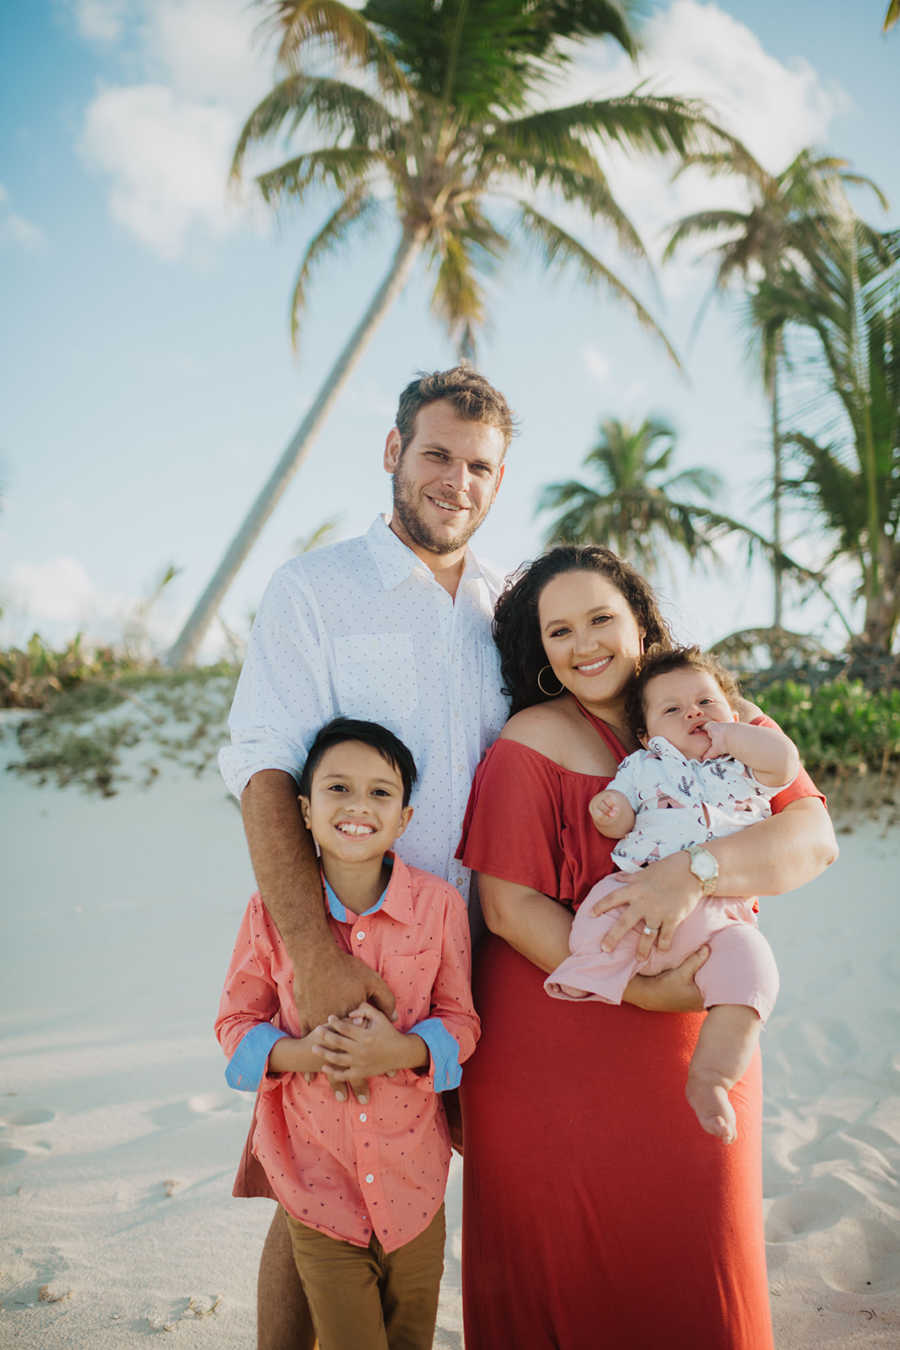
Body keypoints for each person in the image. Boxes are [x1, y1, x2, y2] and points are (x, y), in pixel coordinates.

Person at [456, 545, 838, 1350]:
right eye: (559, 631)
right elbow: (509, 905)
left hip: (699, 1046)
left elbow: (813, 838)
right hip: (551, 1058)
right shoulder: (530, 739)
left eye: (602, 618)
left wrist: (692, 874)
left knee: (700, 1274)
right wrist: (638, 990)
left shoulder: (709, 710)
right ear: (542, 653)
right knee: (566, 1284)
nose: (585, 643)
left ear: (640, 621)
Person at [218, 366, 516, 1348]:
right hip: (351, 939)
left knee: (414, 1188)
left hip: (472, 956)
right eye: (437, 454)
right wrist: (315, 954)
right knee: (315, 1189)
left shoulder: (505, 606)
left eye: (480, 466)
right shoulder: (317, 587)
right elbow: (266, 773)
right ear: (393, 453)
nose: (457, 481)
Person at [216, 718, 479, 1350]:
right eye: (338, 788)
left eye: (380, 793)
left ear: (406, 818)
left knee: (410, 1336)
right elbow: (234, 1023)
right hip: (315, 1185)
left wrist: (402, 1049)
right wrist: (302, 1053)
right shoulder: (269, 913)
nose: (359, 805)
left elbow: (462, 1022)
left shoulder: (438, 907)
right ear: (304, 811)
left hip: (414, 1183)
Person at [545, 645, 800, 1145]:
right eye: (671, 709)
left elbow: (785, 761)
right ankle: (594, 971)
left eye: (706, 702)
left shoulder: (746, 763)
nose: (693, 714)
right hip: (643, 887)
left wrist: (733, 735)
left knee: (753, 971)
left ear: (732, 708)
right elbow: (620, 807)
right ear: (645, 735)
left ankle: (713, 1076)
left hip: (721, 910)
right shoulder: (645, 766)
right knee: (596, 917)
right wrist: (610, 810)